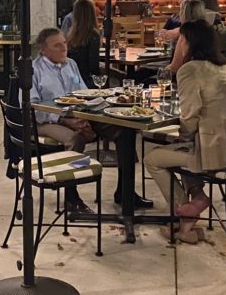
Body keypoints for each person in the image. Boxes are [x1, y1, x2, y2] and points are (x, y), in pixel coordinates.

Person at [144, 20, 226, 243]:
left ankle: (184, 210)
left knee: (152, 158)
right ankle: (194, 207)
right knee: (184, 148)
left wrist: (183, 136)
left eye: (180, 39)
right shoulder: (224, 67)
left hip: (218, 153)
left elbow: (190, 114)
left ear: (187, 42)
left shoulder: (189, 70)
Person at [30, 28, 151, 210]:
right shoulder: (34, 69)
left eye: (64, 43)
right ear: (44, 50)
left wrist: (88, 116)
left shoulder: (71, 64)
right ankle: (72, 197)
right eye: (57, 45)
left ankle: (125, 193)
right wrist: (65, 120)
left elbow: (84, 93)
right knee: (74, 138)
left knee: (124, 130)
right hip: (46, 121)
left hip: (78, 114)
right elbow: (32, 107)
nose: (64, 48)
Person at [66, 0, 100, 87]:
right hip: (86, 81)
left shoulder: (71, 34)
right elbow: (93, 66)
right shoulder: (93, 34)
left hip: (72, 78)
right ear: (92, 13)